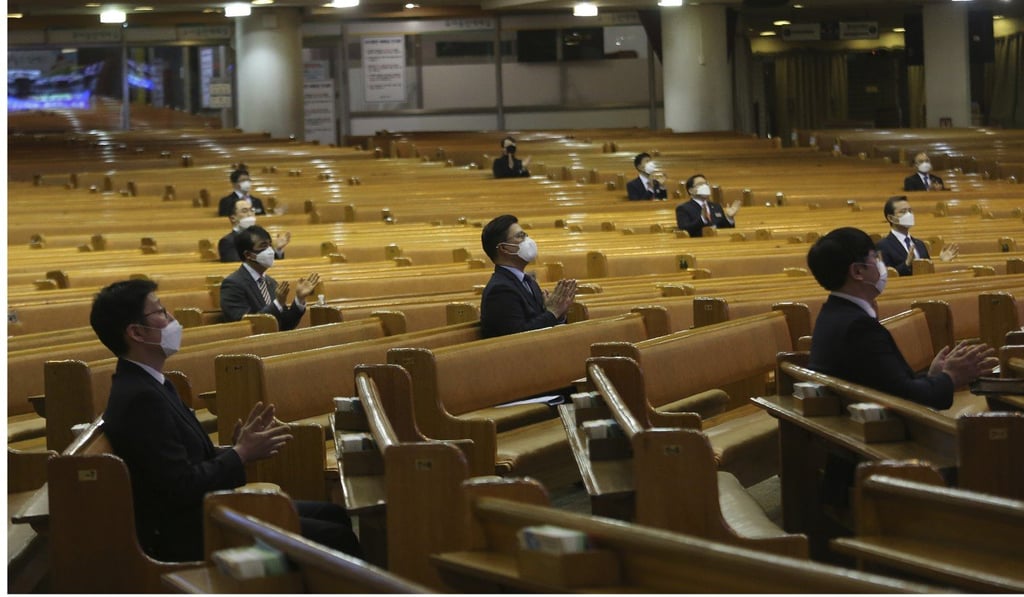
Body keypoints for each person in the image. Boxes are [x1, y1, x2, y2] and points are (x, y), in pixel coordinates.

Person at [90, 279, 360, 562]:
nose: (172, 319)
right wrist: (241, 454)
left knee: (333, 514)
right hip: (190, 532)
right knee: (334, 537)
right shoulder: (139, 398)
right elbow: (179, 488)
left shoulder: (153, 383)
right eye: (160, 312)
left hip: (205, 510)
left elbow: (183, 465)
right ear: (136, 332)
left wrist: (237, 448)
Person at [806, 227, 996, 410]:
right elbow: (905, 398)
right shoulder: (858, 327)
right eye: (875, 257)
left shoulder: (833, 313)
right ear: (857, 271)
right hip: (875, 432)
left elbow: (889, 383)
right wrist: (951, 377)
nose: (881, 264)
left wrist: (934, 376)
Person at [479, 214, 577, 338]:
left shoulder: (528, 281)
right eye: (520, 236)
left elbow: (540, 322)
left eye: (526, 235)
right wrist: (553, 312)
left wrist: (558, 314)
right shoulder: (500, 290)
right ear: (504, 248)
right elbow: (517, 337)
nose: (528, 241)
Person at [220, 225, 319, 331]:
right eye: (263, 246)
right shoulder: (232, 285)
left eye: (269, 245)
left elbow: (285, 326)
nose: (270, 251)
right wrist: (277, 304)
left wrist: (299, 299)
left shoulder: (271, 282)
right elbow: (245, 325)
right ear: (248, 254)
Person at [876, 195, 958, 276]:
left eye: (910, 211)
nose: (909, 215)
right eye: (903, 211)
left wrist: (942, 261)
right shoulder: (883, 245)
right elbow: (886, 276)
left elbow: (927, 272)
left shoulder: (920, 244)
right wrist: (906, 264)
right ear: (891, 218)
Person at [218, 198, 290, 262]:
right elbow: (235, 266)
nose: (250, 214)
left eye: (252, 210)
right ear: (233, 218)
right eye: (245, 211)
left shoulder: (262, 236)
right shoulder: (227, 242)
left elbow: (273, 263)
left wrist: (277, 249)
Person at [675, 174, 740, 237]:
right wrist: (702, 219)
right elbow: (684, 230)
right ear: (691, 190)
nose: (705, 186)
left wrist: (729, 218)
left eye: (706, 184)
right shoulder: (683, 208)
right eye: (700, 184)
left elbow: (724, 229)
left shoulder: (716, 206)